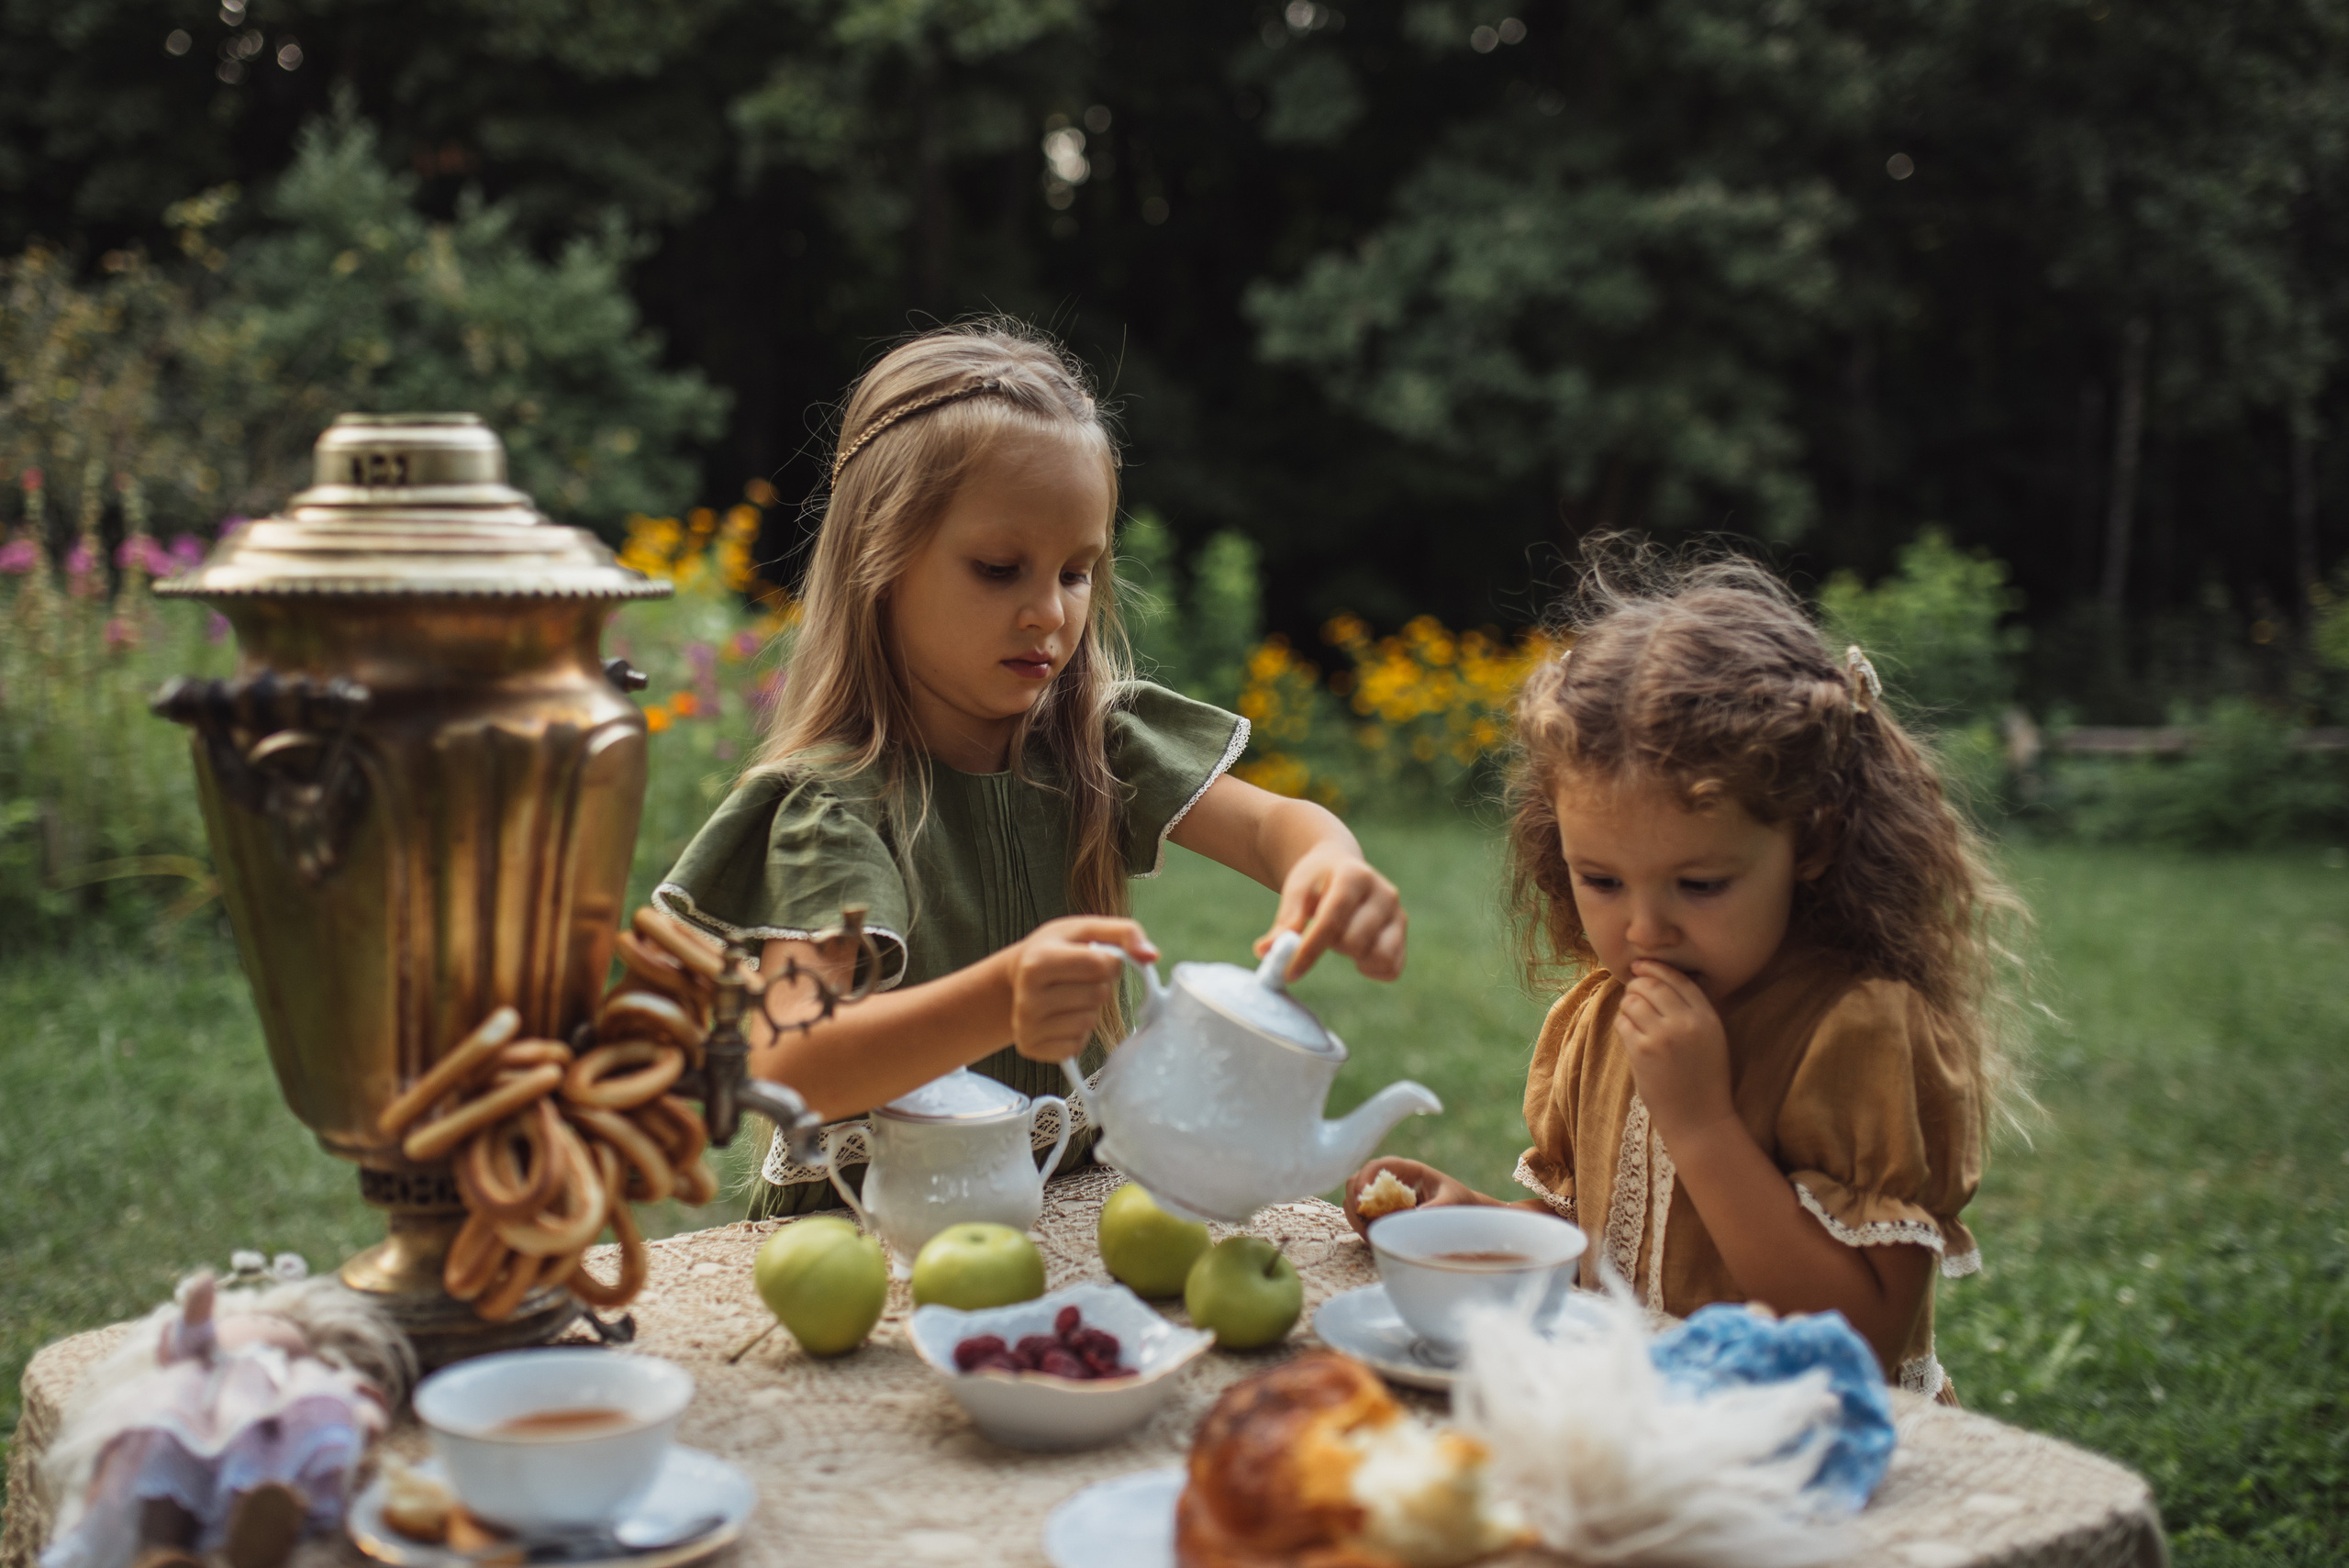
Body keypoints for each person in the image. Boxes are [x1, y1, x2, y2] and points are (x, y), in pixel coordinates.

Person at [656, 321, 1409, 1216]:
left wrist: (1327, 861)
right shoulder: (836, 807)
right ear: (879, 560)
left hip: (1085, 1206)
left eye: (1078, 570)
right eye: (999, 568)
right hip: (884, 1243)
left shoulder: (1093, 742)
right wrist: (1001, 998)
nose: (1048, 611)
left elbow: (1271, 824)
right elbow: (792, 1058)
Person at [1344, 547, 2026, 1399]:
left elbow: (1865, 1337)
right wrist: (1471, 1221)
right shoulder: (1605, 1013)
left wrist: (1702, 1123)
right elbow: (1606, 1252)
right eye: (1601, 880)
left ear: (1810, 840)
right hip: (1643, 1420)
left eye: (1700, 884)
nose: (1643, 928)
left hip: (1806, 1440)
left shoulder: (1858, 1030)